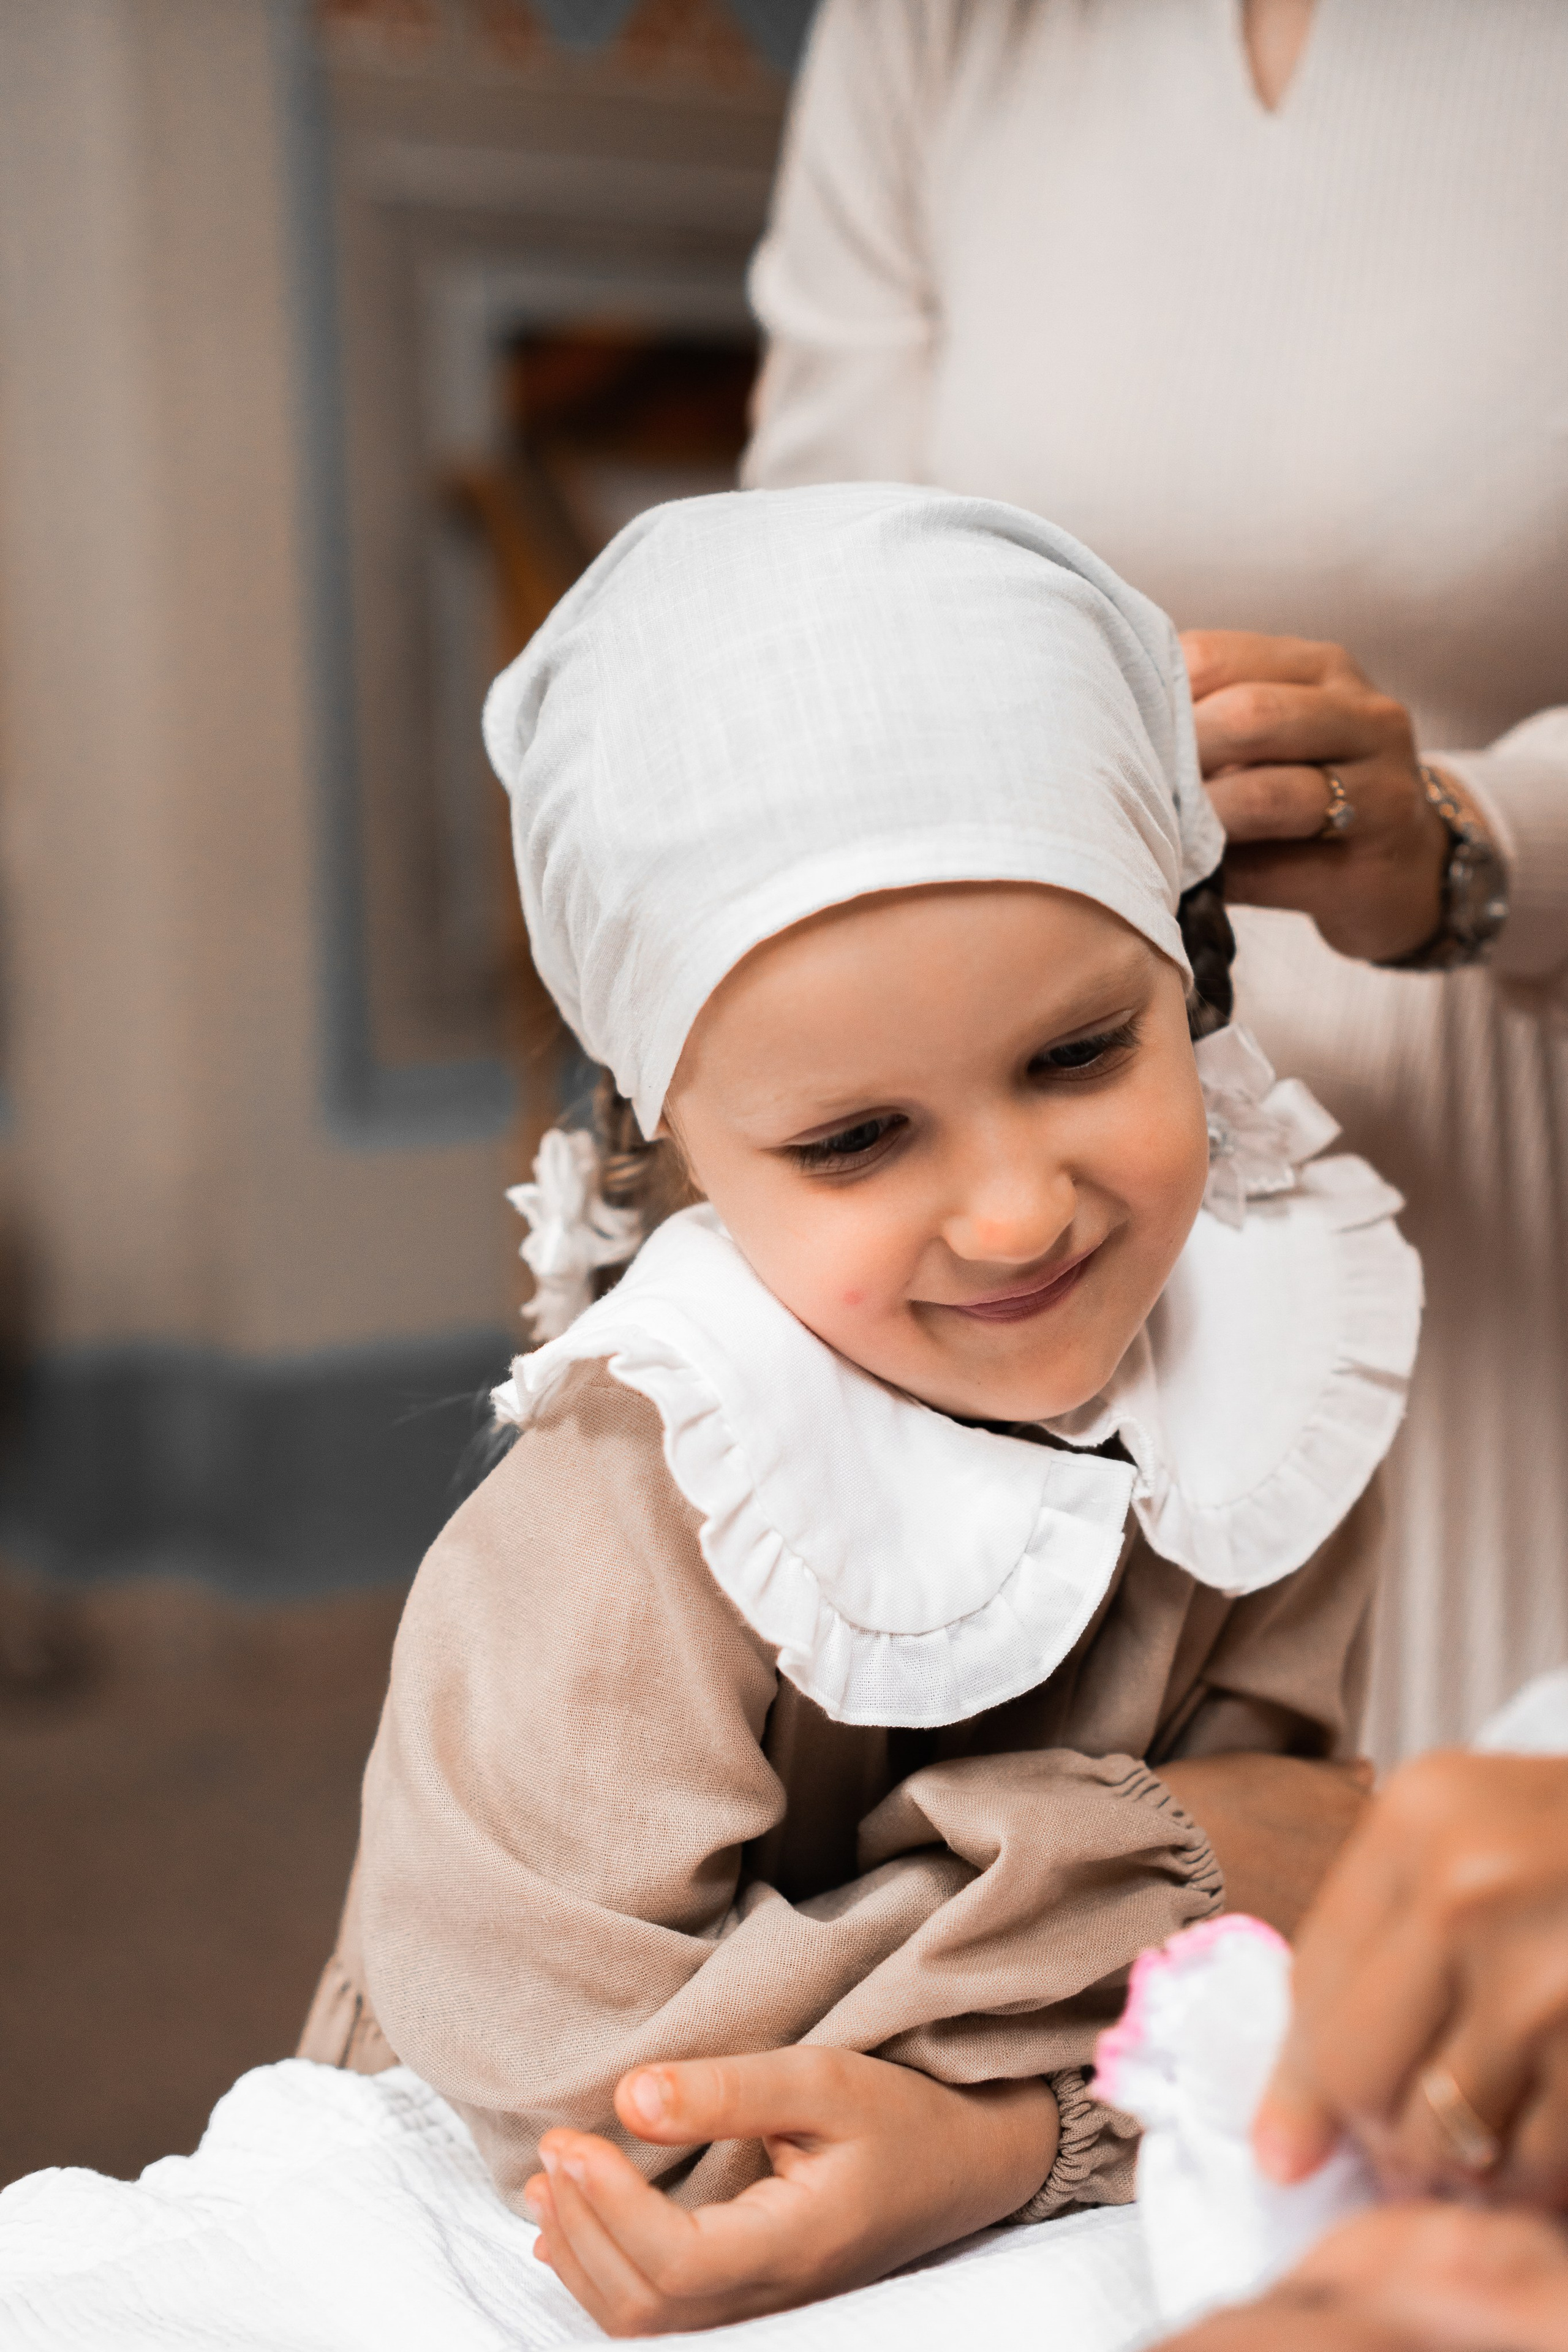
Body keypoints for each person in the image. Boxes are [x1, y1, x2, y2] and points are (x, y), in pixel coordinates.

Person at [299, 483, 1419, 2332]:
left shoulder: (1261, 1360)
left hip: (1056, 2193)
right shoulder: (637, 1501)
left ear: (1189, 976)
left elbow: (1284, 1946)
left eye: (1080, 1053)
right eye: (854, 1140)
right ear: (677, 1138)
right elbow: (633, 2124)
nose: (1018, 1214)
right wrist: (1159, 1857)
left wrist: (1002, 2131)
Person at [741, 0, 1568, 1758]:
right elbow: (805, 605)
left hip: (1522, 1104)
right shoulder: (932, 30)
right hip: (1009, 1148)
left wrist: (1479, 843)